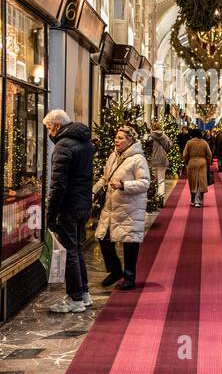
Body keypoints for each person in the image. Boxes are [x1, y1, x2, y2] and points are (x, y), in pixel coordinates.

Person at [43, 109, 94, 313]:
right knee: (77, 249)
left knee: (70, 251)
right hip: (83, 204)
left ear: (56, 125)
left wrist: (51, 213)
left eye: (48, 128)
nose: (48, 133)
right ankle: (84, 293)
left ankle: (75, 299)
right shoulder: (85, 142)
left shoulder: (63, 146)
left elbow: (58, 185)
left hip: (69, 206)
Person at [93, 126, 151, 289]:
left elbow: (145, 183)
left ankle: (130, 278)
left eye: (121, 138)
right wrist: (93, 191)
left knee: (130, 241)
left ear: (130, 140)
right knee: (102, 237)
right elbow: (105, 178)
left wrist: (124, 185)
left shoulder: (138, 159)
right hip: (111, 205)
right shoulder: (113, 156)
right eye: (116, 137)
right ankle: (116, 270)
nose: (116, 141)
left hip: (130, 207)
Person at [183, 128, 213, 207]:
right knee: (200, 182)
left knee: (192, 181)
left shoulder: (189, 143)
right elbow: (209, 154)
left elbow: (185, 155)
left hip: (192, 163)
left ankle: (193, 199)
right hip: (202, 163)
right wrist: (208, 162)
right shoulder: (204, 143)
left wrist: (186, 162)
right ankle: (198, 201)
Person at [147, 125, 173, 198]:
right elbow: (170, 145)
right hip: (162, 159)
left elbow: (147, 148)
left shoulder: (150, 137)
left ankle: (153, 197)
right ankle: (160, 197)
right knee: (161, 179)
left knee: (153, 179)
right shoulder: (164, 136)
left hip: (152, 159)